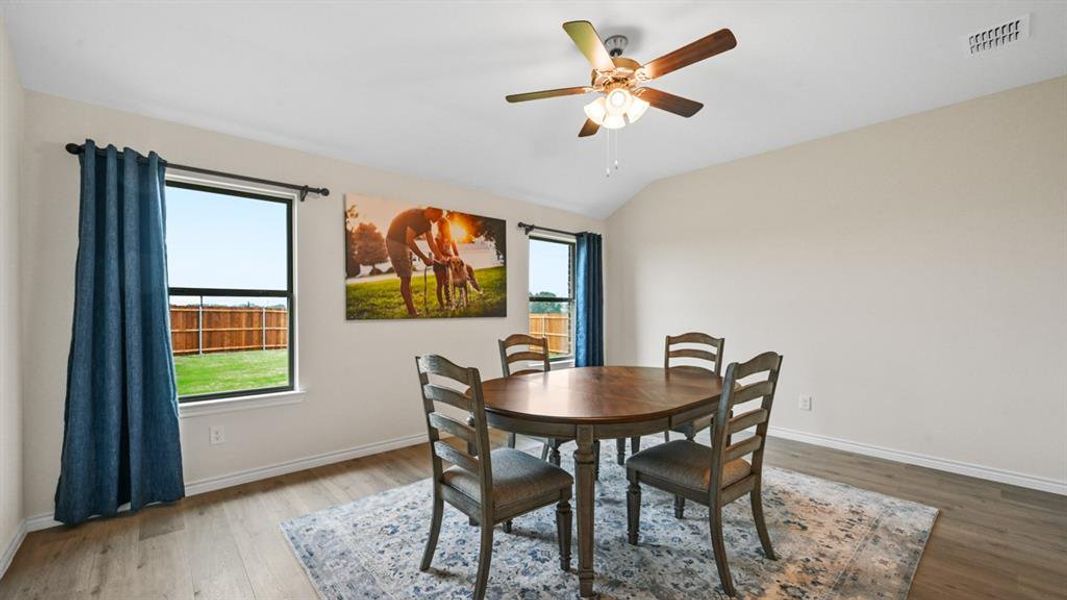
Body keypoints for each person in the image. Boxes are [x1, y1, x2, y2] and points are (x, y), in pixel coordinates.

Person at [386, 206, 446, 316]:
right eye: (437, 216)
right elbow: (409, 240)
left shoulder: (427, 224)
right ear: (430, 210)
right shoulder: (416, 216)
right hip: (395, 242)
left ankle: (411, 311)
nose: (438, 220)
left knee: (407, 276)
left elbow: (431, 243)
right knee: (406, 277)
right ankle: (412, 312)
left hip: (403, 243)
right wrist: (424, 258)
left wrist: (441, 258)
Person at [432, 213, 460, 309]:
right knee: (440, 284)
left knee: (447, 283)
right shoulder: (438, 235)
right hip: (438, 262)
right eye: (440, 225)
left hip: (448, 262)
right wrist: (451, 256)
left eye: (444, 224)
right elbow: (440, 250)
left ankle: (448, 301)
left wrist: (457, 258)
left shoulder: (451, 236)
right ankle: (441, 305)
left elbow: (455, 249)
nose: (441, 226)